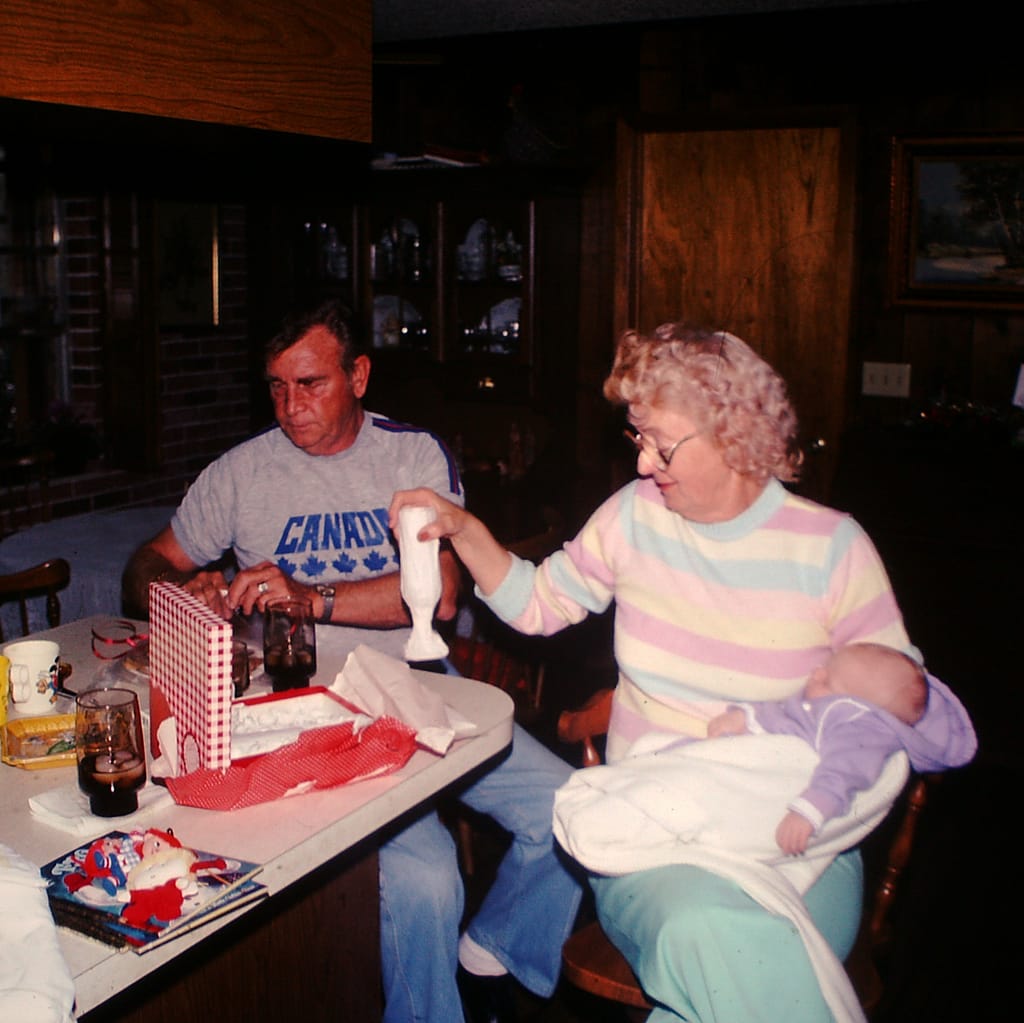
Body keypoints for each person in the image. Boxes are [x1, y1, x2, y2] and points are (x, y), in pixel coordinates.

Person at [389, 321, 969, 1023]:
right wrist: (465, 528)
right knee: (709, 936)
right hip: (651, 834)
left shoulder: (831, 548)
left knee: (720, 981)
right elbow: (540, 604)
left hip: (798, 840)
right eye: (638, 438)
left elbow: (930, 730)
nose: (642, 464)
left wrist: (905, 693)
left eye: (661, 442)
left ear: (735, 429)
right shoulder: (635, 518)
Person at [122, 299, 581, 1023]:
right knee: (427, 880)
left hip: (417, 684)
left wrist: (311, 596)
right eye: (276, 386)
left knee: (569, 805)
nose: (290, 406)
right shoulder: (240, 473)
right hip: (296, 711)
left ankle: (493, 949)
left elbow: (438, 594)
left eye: (311, 383)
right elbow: (146, 560)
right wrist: (186, 588)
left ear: (359, 375)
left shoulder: (412, 455)